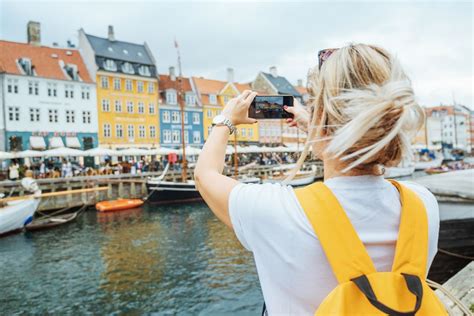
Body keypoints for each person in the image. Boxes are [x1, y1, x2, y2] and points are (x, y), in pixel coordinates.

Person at [194, 44, 439, 314]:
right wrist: (319, 124)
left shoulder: (278, 211)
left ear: (322, 117)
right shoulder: (423, 205)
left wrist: (225, 120)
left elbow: (205, 175)